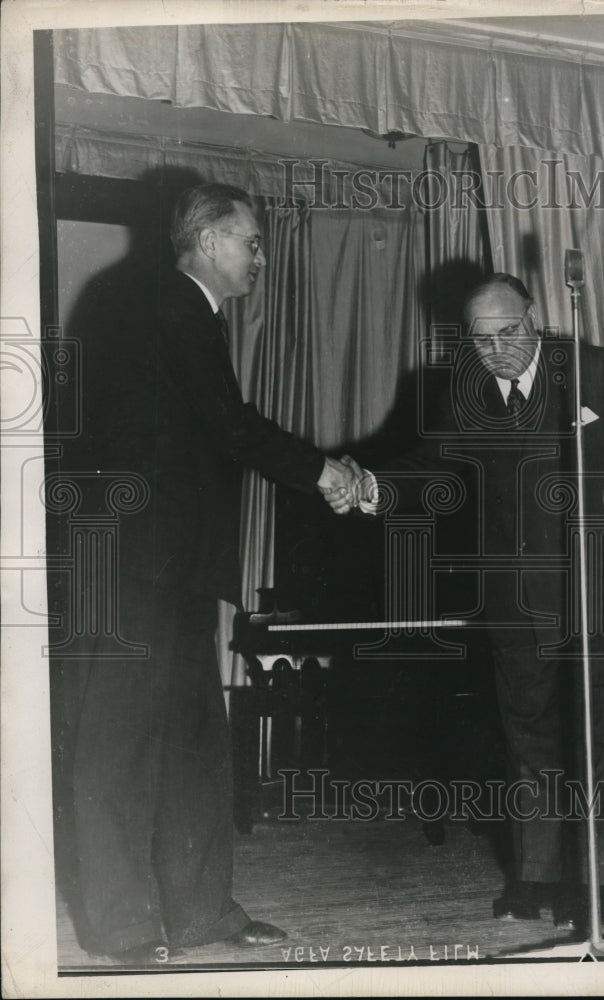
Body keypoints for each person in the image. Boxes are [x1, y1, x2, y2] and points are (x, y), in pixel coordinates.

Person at [323, 272, 604, 933]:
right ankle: (537, 874)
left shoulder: (592, 368)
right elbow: (434, 467)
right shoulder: (464, 389)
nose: (498, 351)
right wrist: (370, 484)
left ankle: (590, 883)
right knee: (529, 738)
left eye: (509, 332)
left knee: (597, 739)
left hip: (598, 587)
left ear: (534, 317)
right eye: (482, 340)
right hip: (516, 599)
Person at [54, 183, 359, 965]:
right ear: (209, 239)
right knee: (118, 742)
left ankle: (202, 913)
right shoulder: (172, 303)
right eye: (251, 242)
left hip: (169, 561)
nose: (261, 258)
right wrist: (323, 471)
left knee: (193, 742)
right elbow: (229, 427)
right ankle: (119, 927)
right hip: (132, 561)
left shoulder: (166, 307)